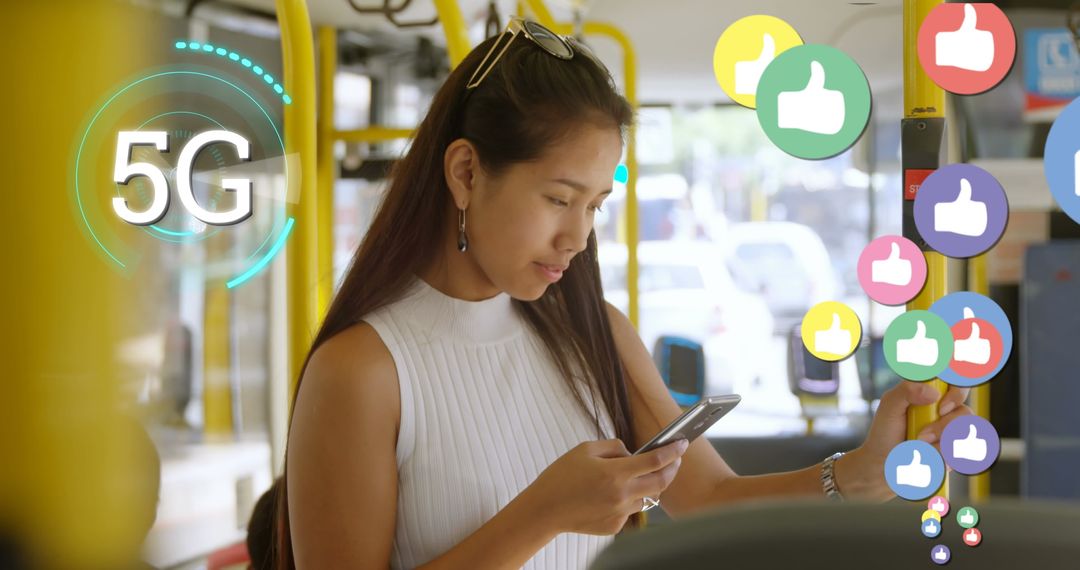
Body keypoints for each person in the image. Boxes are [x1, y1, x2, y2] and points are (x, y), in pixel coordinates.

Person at [278, 17, 972, 570]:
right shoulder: (362, 372)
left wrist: (858, 473)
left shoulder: (592, 330)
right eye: (558, 198)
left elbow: (711, 498)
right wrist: (540, 514)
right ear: (465, 172)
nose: (576, 236)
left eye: (595, 205)